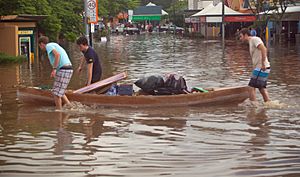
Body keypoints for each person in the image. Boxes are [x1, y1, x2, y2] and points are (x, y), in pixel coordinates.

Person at [38, 36, 73, 110]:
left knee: (56, 93)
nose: (40, 48)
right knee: (60, 91)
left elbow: (57, 55)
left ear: (41, 44)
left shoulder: (49, 46)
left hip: (63, 69)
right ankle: (70, 106)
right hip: (67, 69)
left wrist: (54, 69)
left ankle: (59, 112)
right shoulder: (53, 44)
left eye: (39, 46)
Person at [239, 28, 271, 106]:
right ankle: (268, 103)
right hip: (262, 67)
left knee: (250, 87)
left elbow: (264, 49)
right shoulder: (251, 42)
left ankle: (254, 106)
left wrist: (263, 63)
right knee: (262, 88)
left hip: (261, 67)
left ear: (246, 35)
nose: (240, 39)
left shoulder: (254, 39)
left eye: (241, 36)